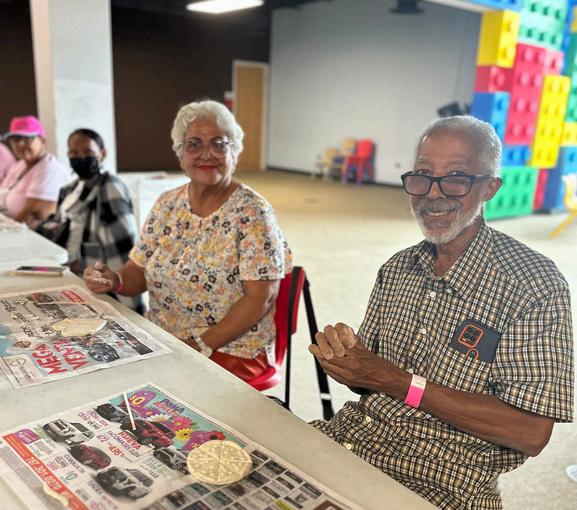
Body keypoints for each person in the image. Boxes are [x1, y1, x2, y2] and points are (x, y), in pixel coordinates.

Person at [309, 116, 574, 509]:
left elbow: (531, 432)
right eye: (423, 176)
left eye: (456, 177)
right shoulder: (398, 268)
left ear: (490, 188)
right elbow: (371, 383)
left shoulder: (534, 286)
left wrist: (400, 382)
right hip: (348, 441)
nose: (433, 194)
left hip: (438, 484)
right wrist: (351, 364)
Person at [83, 100, 291, 381]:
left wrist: (199, 345)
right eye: (194, 144)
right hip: (163, 337)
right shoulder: (167, 203)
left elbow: (260, 298)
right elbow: (138, 271)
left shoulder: (253, 212)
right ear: (180, 154)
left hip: (231, 348)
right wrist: (115, 280)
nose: (206, 154)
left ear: (234, 152)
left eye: (218, 144)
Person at [36, 128, 142, 313]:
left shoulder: (110, 187)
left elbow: (125, 242)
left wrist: (120, 282)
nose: (81, 158)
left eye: (88, 152)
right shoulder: (69, 190)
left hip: (97, 277)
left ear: (102, 153)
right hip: (69, 273)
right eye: (74, 153)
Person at [0, 115, 70, 227]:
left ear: (42, 141)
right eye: (16, 139)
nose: (21, 144)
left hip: (30, 233)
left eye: (28, 139)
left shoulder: (50, 170)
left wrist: (9, 229)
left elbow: (32, 212)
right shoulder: (20, 165)